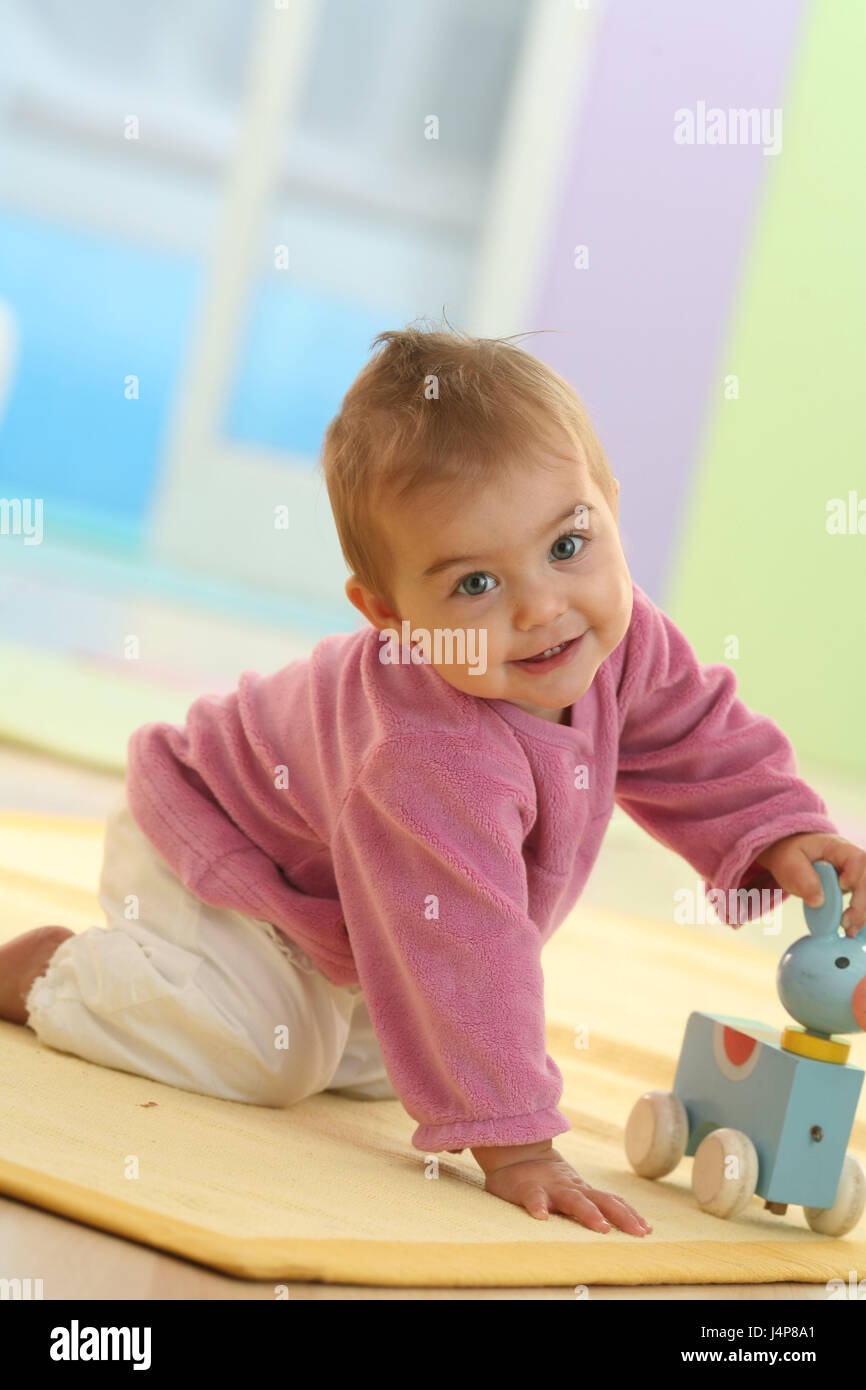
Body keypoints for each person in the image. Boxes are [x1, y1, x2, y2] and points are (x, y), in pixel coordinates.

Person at [3, 325, 864, 1237]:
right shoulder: (426, 752)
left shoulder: (621, 640)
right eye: (476, 583)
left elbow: (697, 736)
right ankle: (52, 973)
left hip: (352, 899)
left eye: (568, 546)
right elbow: (463, 940)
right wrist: (517, 1142)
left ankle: (311, 1006)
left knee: (392, 1056)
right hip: (222, 848)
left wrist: (780, 832)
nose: (540, 608)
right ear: (390, 616)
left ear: (609, 503)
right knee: (272, 1060)